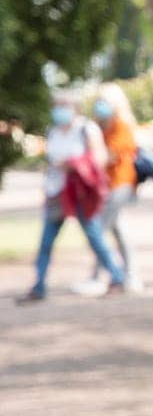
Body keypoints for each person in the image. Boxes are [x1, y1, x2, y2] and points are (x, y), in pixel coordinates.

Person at [16, 93, 128, 303]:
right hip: (56, 192)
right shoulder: (54, 131)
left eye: (64, 105)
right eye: (56, 105)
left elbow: (100, 158)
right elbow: (50, 163)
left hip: (80, 193)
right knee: (46, 241)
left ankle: (117, 276)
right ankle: (38, 285)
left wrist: (74, 164)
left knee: (95, 236)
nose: (59, 110)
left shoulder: (86, 129)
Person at [77, 84, 142, 294]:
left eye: (104, 101)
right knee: (118, 229)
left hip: (120, 183)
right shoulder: (98, 126)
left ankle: (102, 275)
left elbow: (110, 154)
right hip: (105, 184)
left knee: (99, 230)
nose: (100, 106)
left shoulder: (122, 125)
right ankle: (130, 274)